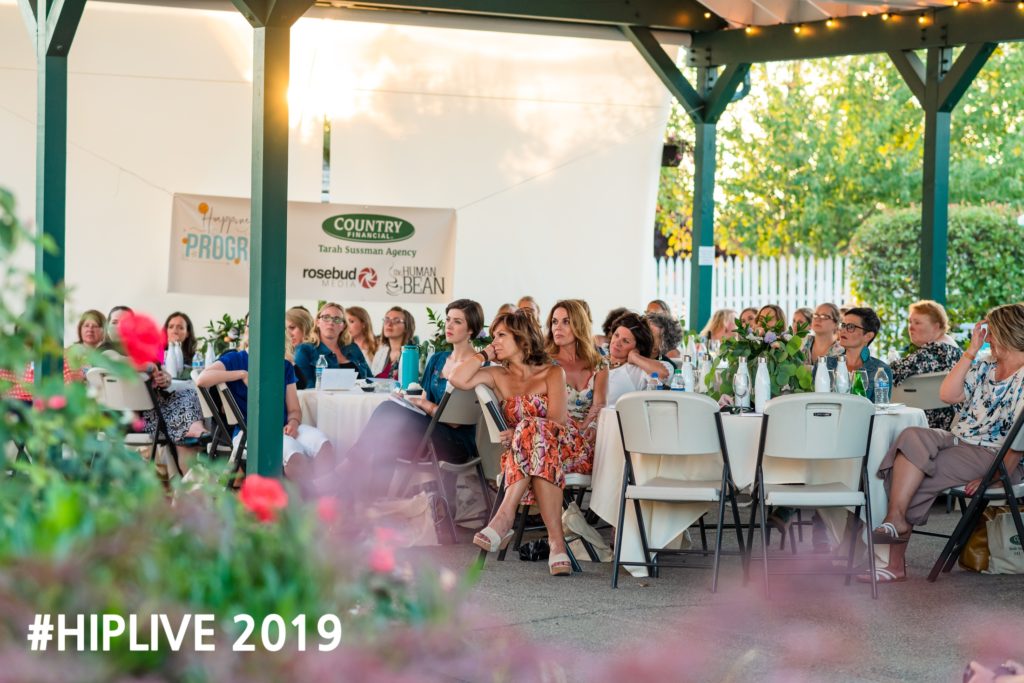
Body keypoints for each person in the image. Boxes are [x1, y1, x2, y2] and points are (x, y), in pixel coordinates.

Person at [866, 304, 1024, 583]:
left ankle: (893, 558)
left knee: (916, 473)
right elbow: (948, 395)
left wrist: (999, 476)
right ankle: (895, 519)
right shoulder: (987, 363)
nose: (987, 338)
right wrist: (971, 351)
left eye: (991, 333)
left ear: (1008, 333)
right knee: (911, 437)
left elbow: (1020, 441)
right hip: (958, 439)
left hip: (993, 455)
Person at [449, 309, 584, 576]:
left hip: (566, 448)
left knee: (534, 431)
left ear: (522, 339)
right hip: (528, 455)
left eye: (501, 336)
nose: (494, 341)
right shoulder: (497, 374)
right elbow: (457, 378)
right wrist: (485, 354)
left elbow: (557, 422)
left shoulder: (552, 373)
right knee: (534, 441)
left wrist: (523, 429)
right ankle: (557, 544)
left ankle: (504, 517)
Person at [319, 299, 486, 498]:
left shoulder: (478, 366)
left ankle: (348, 469)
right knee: (386, 438)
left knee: (388, 411)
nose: (449, 325)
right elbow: (422, 399)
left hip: (456, 443)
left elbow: (455, 421)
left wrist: (423, 404)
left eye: (457, 322)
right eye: (448, 319)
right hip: (430, 435)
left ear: (471, 329)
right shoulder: (438, 359)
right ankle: (376, 505)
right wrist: (407, 400)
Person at [197, 318, 333, 482]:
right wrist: (242, 374)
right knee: (293, 453)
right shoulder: (235, 359)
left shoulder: (284, 365)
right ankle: (302, 502)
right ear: (247, 330)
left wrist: (293, 423)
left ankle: (320, 495)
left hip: (283, 429)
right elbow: (202, 379)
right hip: (249, 432)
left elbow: (294, 410)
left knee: (324, 445)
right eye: (251, 325)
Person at [547, 300, 608, 476]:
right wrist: (577, 427)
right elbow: (548, 409)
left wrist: (591, 426)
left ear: (579, 325)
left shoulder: (599, 364)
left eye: (566, 321)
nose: (558, 327)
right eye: (554, 321)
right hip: (557, 438)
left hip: (589, 439)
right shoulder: (544, 364)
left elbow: (600, 404)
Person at [890, 300, 963, 429]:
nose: (911, 327)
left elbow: (890, 373)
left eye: (917, 322)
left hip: (924, 424)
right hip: (951, 424)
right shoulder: (955, 351)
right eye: (910, 322)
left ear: (936, 326)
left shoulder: (935, 351)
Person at [293, 302, 371, 388]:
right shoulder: (304, 350)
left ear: (343, 326)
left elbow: (370, 381)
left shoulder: (353, 348)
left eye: (337, 319)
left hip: (358, 400)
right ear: (318, 322)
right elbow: (305, 387)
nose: (331, 322)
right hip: (320, 400)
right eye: (326, 317)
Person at [824, 307, 893, 401]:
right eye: (843, 325)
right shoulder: (825, 364)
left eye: (851, 327)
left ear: (868, 336)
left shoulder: (881, 370)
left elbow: (880, 409)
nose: (843, 331)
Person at [604, 312, 672, 405]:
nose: (617, 342)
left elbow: (664, 373)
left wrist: (635, 357)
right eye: (616, 335)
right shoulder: (599, 360)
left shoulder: (638, 370)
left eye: (625, 341)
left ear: (637, 347)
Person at [371, 307, 416, 379]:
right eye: (387, 320)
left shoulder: (413, 353)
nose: (389, 324)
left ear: (407, 327)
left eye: (396, 321)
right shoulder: (380, 352)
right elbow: (373, 379)